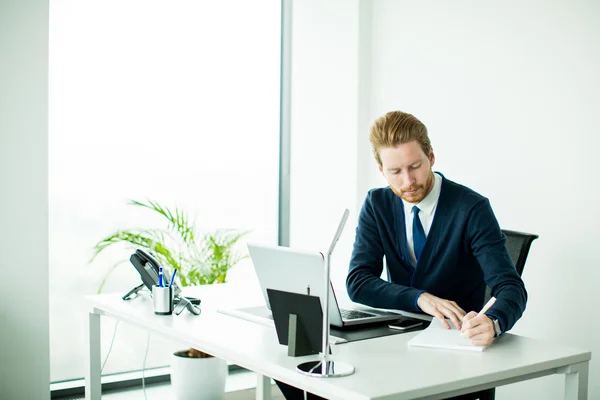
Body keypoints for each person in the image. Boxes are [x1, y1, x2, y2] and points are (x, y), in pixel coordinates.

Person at [347, 110, 527, 346]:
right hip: (398, 342)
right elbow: (358, 281)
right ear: (382, 170)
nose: (408, 181)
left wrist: (493, 322)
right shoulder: (377, 204)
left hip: (459, 345)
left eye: (415, 166)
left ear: (431, 157)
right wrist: (420, 298)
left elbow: (511, 287)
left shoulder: (472, 208)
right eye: (396, 172)